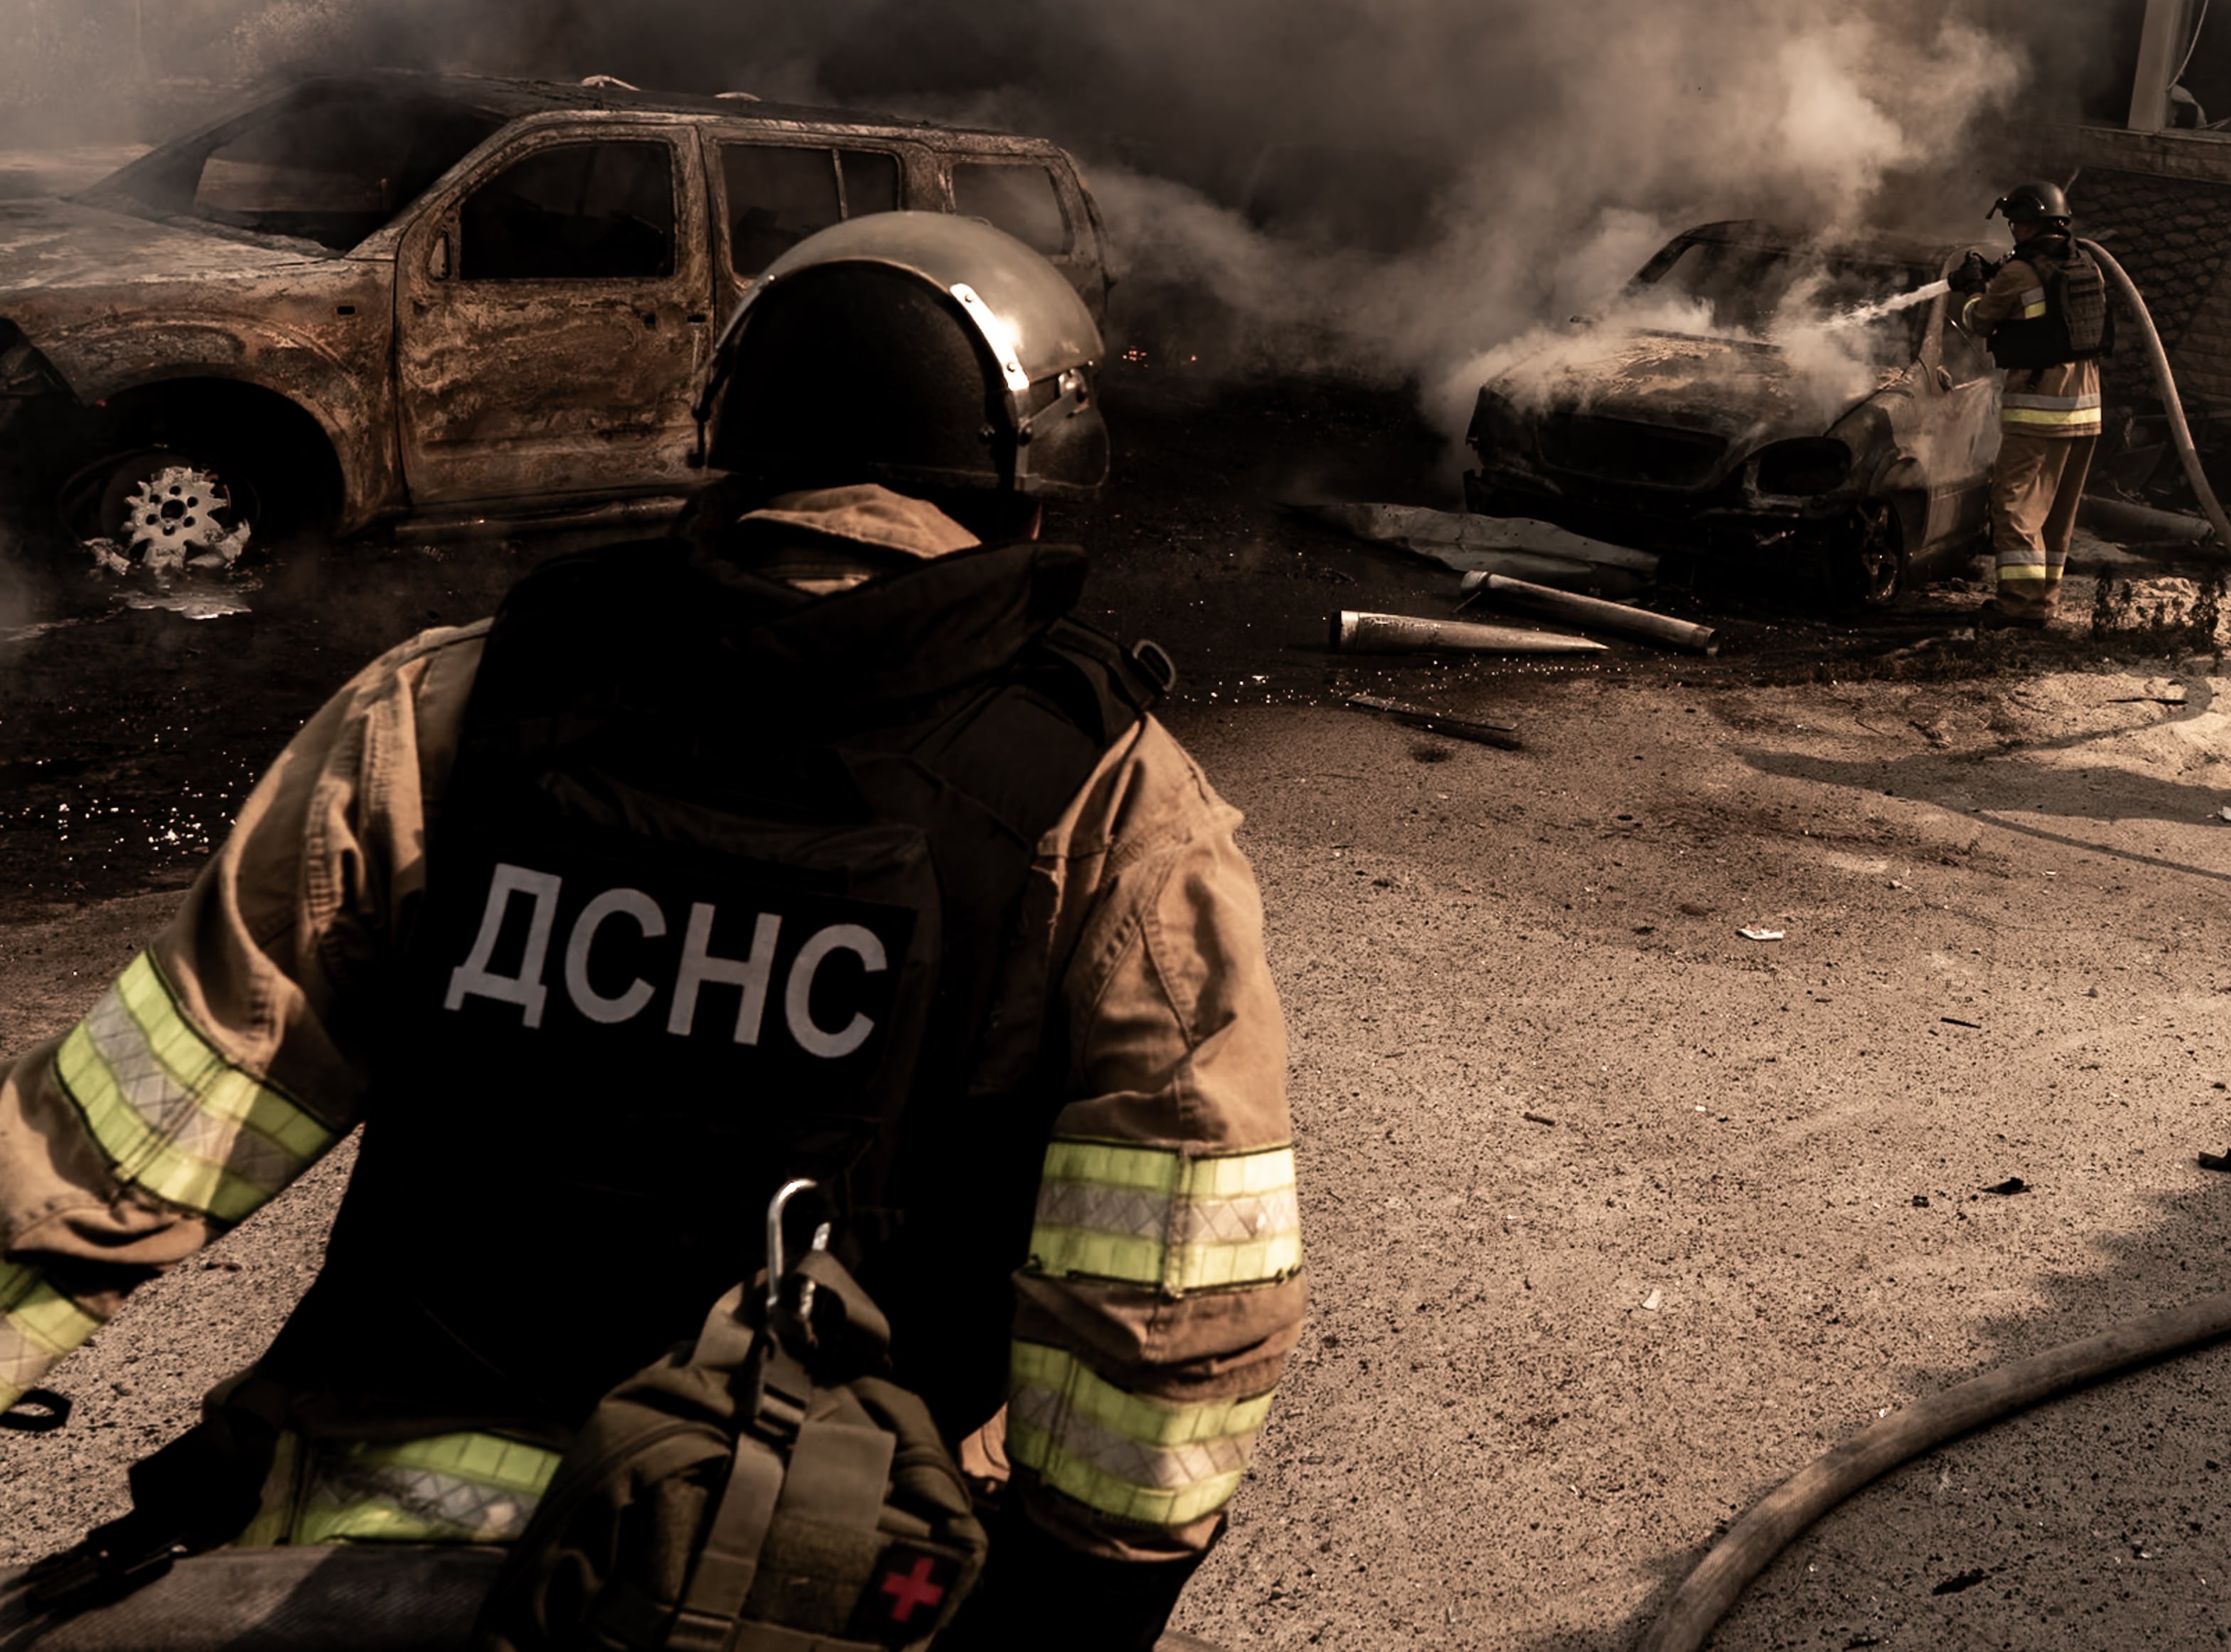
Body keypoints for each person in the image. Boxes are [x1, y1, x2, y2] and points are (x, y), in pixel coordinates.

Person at [0, 214, 1298, 1647]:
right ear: (1040, 500)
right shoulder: (1114, 805)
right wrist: (1075, 1608)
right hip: (804, 1578)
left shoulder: (448, 709)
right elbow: (1175, 1294)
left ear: (730, 448)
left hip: (359, 1548)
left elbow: (117, 1140)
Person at [1946, 181, 2107, 629]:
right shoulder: (2088, 265)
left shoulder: (2020, 274)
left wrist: (1977, 288)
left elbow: (1979, 320)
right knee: (2055, 511)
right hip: (2086, 408)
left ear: (2034, 223)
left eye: (2016, 222)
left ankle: (2017, 605)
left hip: (2041, 407)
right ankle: (2042, 601)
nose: (2013, 230)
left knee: (2013, 504)